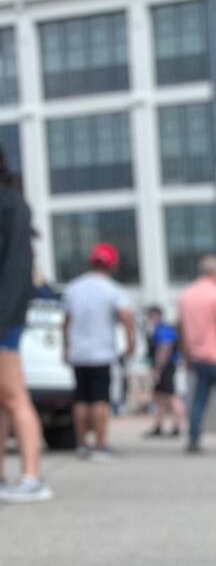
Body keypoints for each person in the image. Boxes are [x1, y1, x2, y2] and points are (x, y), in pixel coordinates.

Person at [0, 145, 51, 503]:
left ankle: (32, 477)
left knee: (14, 396)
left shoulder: (11, 203)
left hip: (4, 316)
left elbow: (18, 268)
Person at [61, 241, 136, 460]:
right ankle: (101, 444)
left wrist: (65, 348)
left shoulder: (74, 287)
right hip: (101, 352)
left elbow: (66, 322)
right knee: (99, 400)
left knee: (81, 399)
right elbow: (125, 318)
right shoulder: (113, 290)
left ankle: (82, 443)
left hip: (78, 352)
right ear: (112, 265)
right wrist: (130, 343)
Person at [175, 255, 216, 454]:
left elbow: (180, 326)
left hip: (197, 356)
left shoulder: (186, 294)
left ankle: (194, 438)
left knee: (198, 400)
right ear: (215, 272)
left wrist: (185, 351)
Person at [144, 305, 183, 438]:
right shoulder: (157, 329)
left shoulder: (163, 329)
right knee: (158, 396)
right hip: (162, 366)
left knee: (171, 396)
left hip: (165, 366)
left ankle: (177, 426)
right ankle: (158, 425)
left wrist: (157, 369)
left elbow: (164, 350)